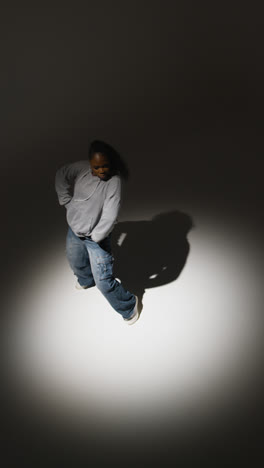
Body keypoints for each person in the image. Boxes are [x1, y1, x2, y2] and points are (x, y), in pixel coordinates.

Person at [55, 140, 140, 325]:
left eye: (105, 166)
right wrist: (66, 201)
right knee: (75, 260)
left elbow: (110, 214)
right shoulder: (82, 169)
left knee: (104, 281)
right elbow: (61, 174)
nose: (102, 170)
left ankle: (129, 305)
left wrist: (96, 237)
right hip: (74, 230)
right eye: (97, 166)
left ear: (111, 163)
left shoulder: (113, 182)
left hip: (96, 239)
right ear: (90, 163)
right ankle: (86, 280)